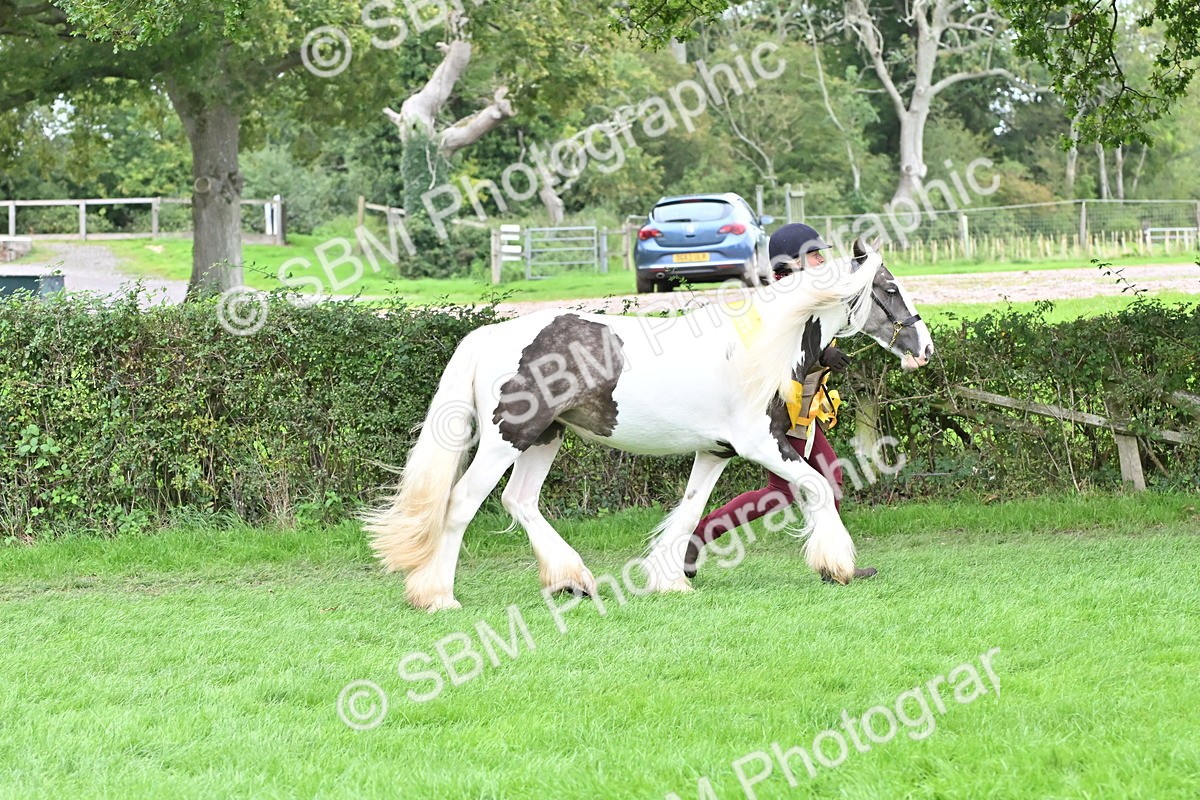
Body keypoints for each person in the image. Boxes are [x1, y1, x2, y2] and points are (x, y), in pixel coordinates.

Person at [683, 222, 877, 581]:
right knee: (781, 491)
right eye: (815, 255)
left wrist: (826, 350)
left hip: (802, 411)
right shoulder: (771, 304)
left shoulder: (802, 298)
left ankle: (833, 564)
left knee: (830, 477)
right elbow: (778, 357)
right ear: (795, 262)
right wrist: (822, 358)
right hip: (773, 416)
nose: (822, 261)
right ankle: (698, 536)